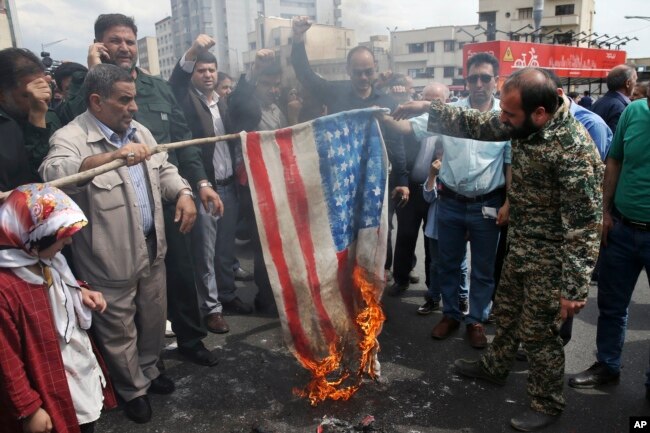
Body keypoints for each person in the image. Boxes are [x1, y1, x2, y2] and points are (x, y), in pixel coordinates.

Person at [393, 67, 602, 431]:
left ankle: (546, 401)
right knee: (505, 313)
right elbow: (478, 124)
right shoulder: (526, 120)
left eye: (509, 115)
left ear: (539, 113)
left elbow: (585, 228)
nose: (502, 120)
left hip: (551, 256)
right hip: (522, 241)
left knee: (539, 333)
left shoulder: (574, 151)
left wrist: (573, 290)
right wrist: (428, 107)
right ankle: (494, 367)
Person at [57, 13, 219, 369]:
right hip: (112, 210)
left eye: (130, 41)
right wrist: (89, 71)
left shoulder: (157, 87)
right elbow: (68, 131)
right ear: (100, 44)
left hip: (165, 200)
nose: (124, 48)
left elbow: (181, 139)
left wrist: (196, 186)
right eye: (115, 41)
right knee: (118, 302)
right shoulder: (86, 92)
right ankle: (131, 375)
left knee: (173, 278)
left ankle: (188, 340)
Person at [40, 64, 197, 424]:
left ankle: (150, 372)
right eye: (124, 100)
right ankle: (132, 390)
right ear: (96, 101)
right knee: (119, 329)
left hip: (151, 248)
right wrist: (109, 157)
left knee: (155, 318)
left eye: (135, 99)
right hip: (106, 259)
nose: (134, 108)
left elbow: (164, 168)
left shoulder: (138, 130)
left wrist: (184, 193)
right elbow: (53, 174)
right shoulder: (71, 136)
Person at [386, 53, 511, 349]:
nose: (478, 84)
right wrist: (378, 115)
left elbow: (509, 163)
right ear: (465, 80)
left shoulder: (504, 117)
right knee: (448, 264)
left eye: (485, 78)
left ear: (496, 80)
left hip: (487, 204)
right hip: (450, 203)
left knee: (482, 268)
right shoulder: (450, 112)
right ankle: (451, 314)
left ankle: (476, 320)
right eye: (472, 78)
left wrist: (509, 203)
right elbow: (408, 127)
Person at [0, 183, 117, 433]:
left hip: (76, 370)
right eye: (62, 236)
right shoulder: (6, 288)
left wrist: (82, 291)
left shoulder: (45, 258)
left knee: (85, 424)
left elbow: (62, 286)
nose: (71, 241)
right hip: (48, 383)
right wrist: (29, 408)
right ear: (32, 235)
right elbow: (6, 358)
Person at [568, 85, 650, 400]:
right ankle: (607, 366)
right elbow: (613, 162)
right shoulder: (634, 111)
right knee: (612, 306)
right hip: (623, 229)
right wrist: (604, 212)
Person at [170, 34, 254, 334]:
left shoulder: (224, 102)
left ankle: (228, 296)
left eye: (211, 70)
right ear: (193, 73)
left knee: (225, 249)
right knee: (204, 253)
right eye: (201, 70)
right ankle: (211, 308)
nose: (207, 75)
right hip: (202, 188)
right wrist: (193, 50)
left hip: (229, 186)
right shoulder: (184, 99)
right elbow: (177, 81)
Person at [228, 49, 286, 314]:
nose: (272, 90)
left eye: (276, 85)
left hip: (280, 184)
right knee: (264, 244)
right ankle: (267, 297)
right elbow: (239, 97)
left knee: (279, 241)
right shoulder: (246, 108)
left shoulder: (278, 108)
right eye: (267, 84)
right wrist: (255, 69)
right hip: (257, 186)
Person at [0, 48, 61, 192]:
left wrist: (39, 117)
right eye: (28, 95)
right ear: (2, 94)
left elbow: (51, 174)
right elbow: (29, 180)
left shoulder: (49, 115)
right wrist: (36, 119)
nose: (40, 99)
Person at [591, 64, 637, 134]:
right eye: (635, 80)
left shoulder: (598, 102)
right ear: (628, 83)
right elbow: (615, 140)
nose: (636, 84)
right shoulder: (620, 108)